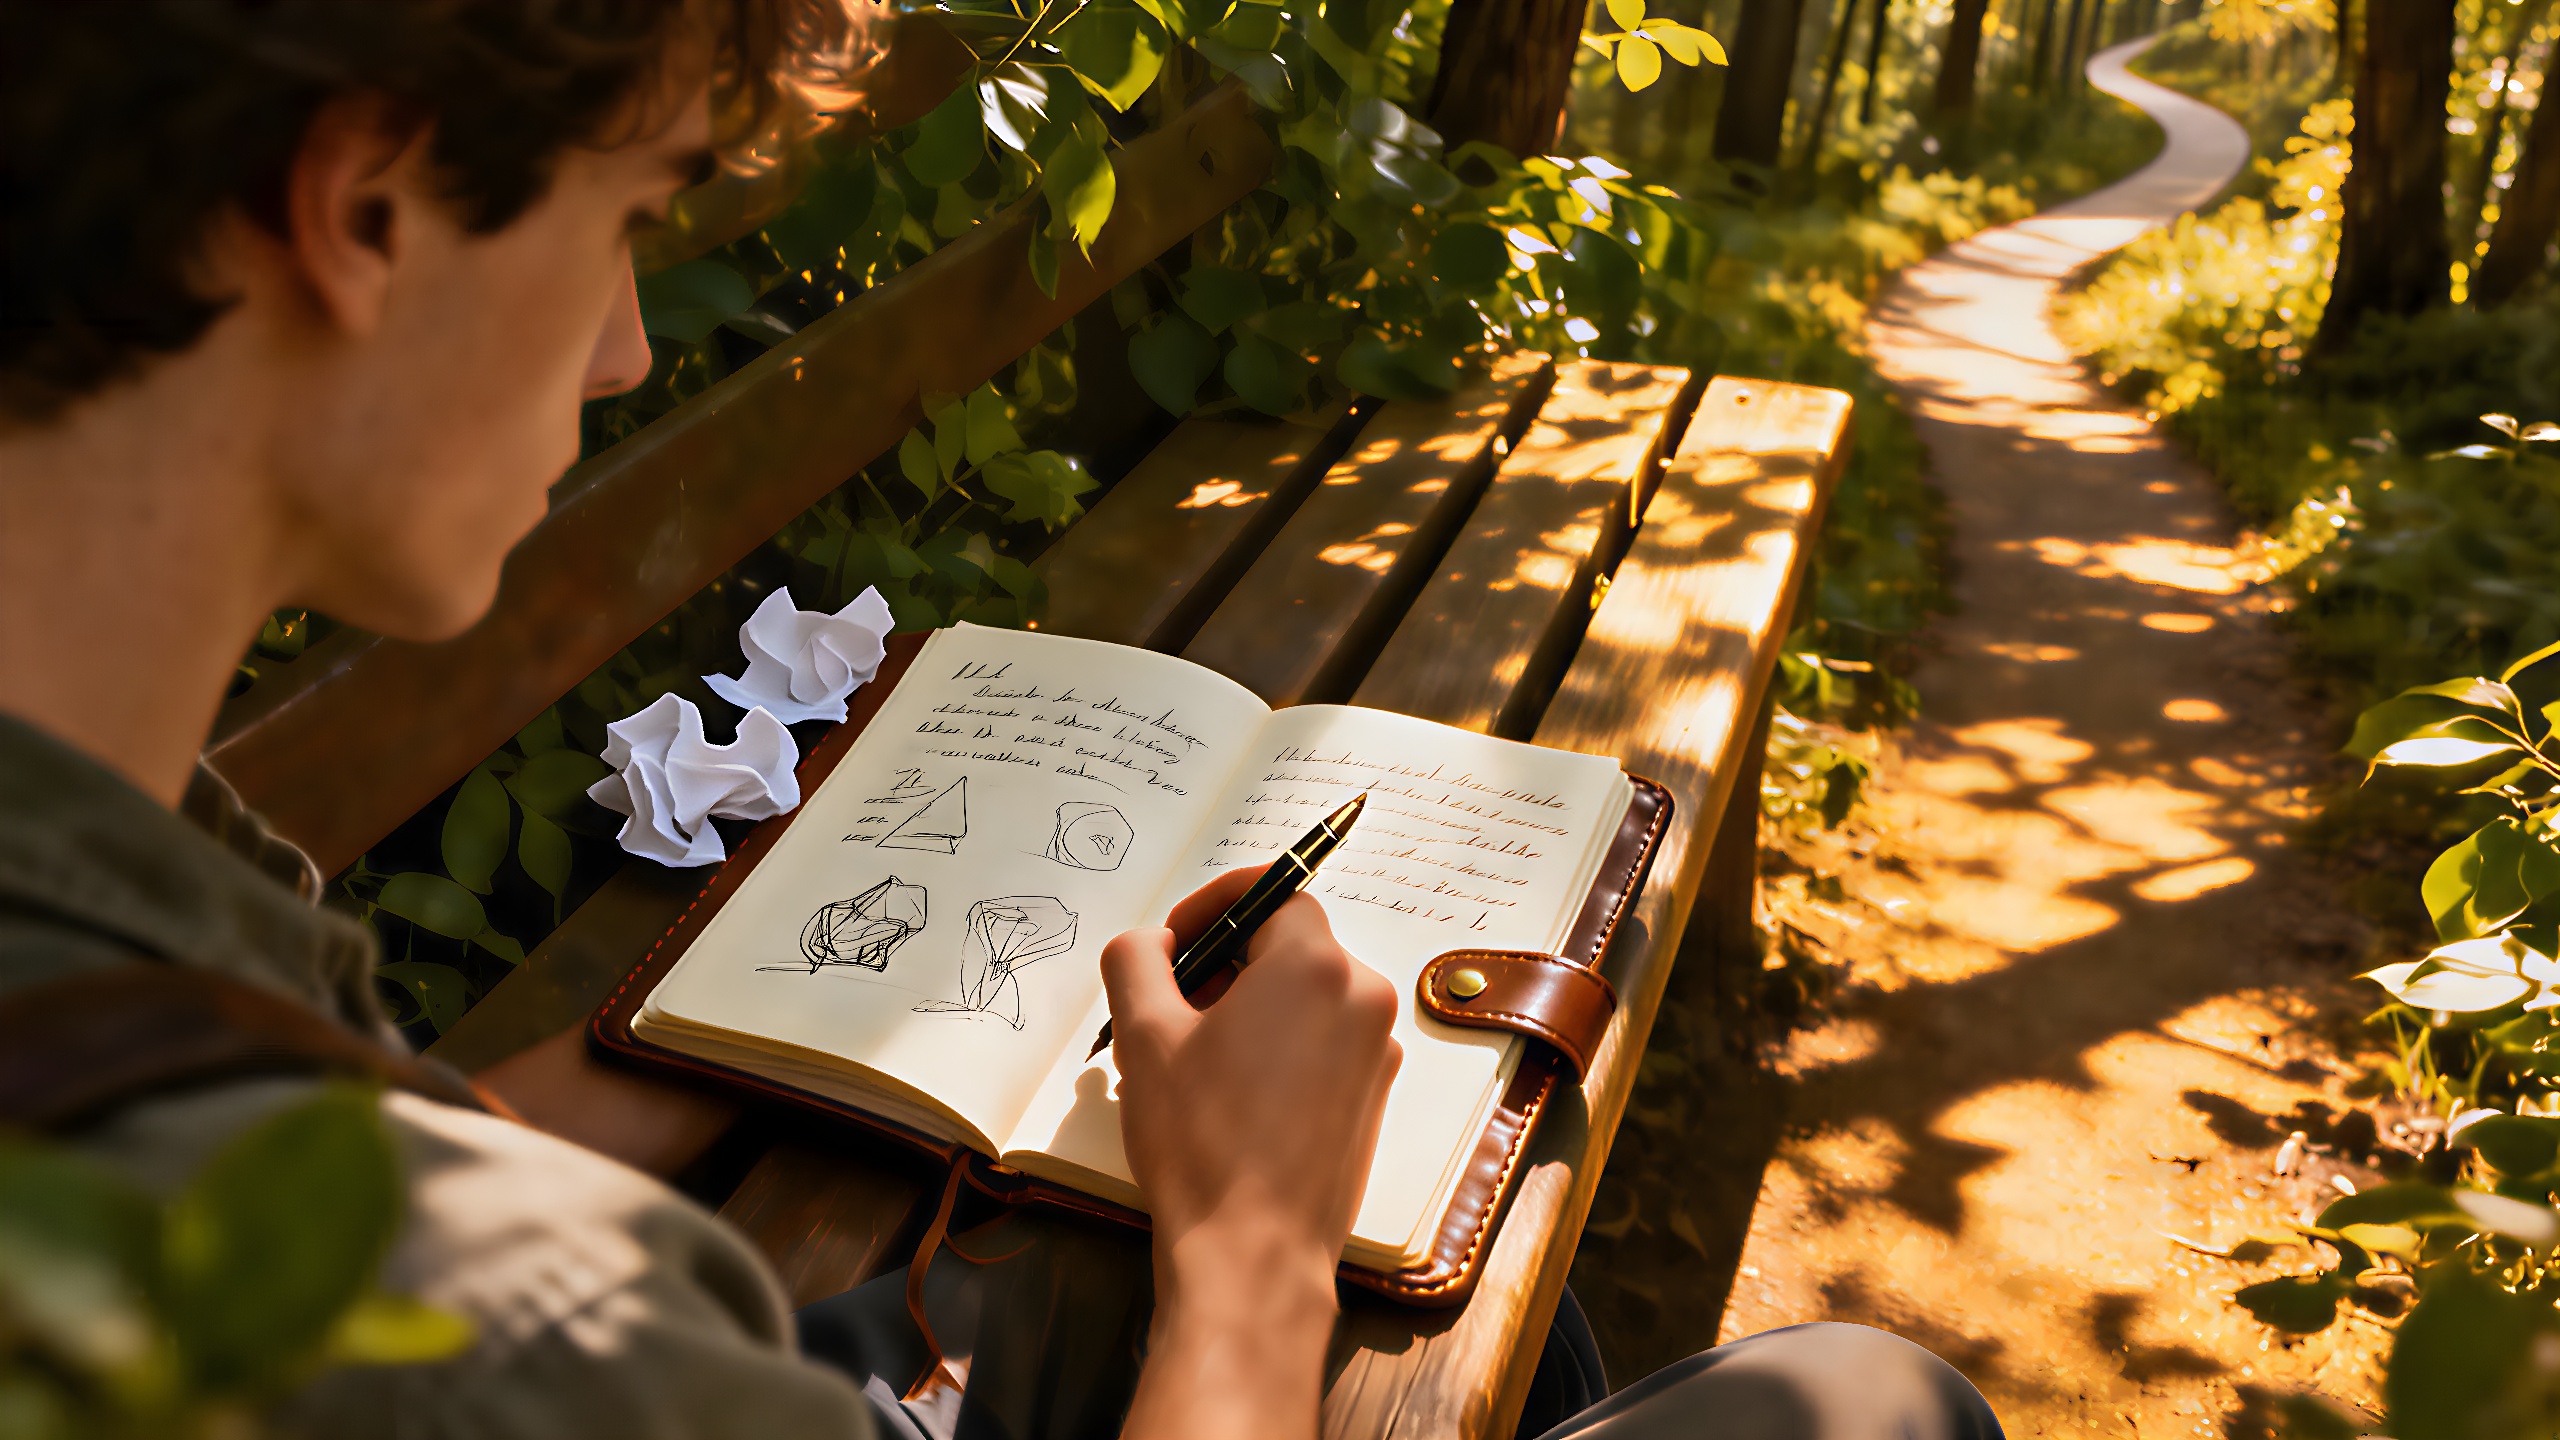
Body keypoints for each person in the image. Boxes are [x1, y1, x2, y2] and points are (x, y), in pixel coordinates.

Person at [0, 3, 2005, 1437]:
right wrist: (1250, 1259)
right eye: (626, 216)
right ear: (362, 208)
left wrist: (725, 1024)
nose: (622, 350)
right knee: (1869, 1400)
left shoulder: (109, 823)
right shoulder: (515, 1333)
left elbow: (343, 1105)